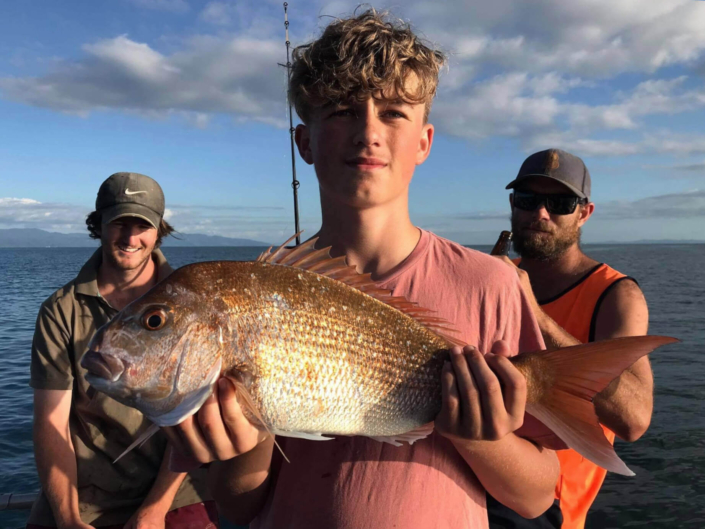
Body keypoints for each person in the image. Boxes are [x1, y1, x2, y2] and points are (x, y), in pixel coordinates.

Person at [163, 10, 560, 529]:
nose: (368, 132)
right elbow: (241, 507)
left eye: (394, 112)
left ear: (425, 141)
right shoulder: (257, 296)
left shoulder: (492, 283)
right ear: (304, 142)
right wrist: (248, 439)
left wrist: (478, 437)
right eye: (342, 111)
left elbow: (535, 498)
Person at [28, 172, 216, 529]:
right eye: (119, 223)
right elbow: (51, 422)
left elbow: (197, 415)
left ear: (159, 230)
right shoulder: (61, 310)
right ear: (99, 225)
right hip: (88, 496)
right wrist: (67, 518)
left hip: (176, 491)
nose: (131, 238)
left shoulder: (194, 304)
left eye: (142, 225)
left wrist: (155, 510)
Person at [489, 149, 652, 529]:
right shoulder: (493, 277)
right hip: (475, 471)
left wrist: (533, 311)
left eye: (560, 203)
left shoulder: (615, 294)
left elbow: (634, 419)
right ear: (514, 205)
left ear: (584, 213)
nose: (541, 214)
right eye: (529, 200)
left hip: (542, 509)